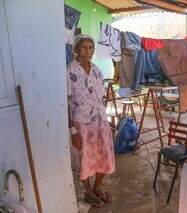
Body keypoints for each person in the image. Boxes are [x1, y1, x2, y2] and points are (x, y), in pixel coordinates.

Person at [67, 34, 115, 208]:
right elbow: (66, 101)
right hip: (81, 122)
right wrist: (72, 130)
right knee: (85, 157)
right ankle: (87, 191)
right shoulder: (70, 71)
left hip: (100, 120)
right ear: (76, 49)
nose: (88, 51)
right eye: (84, 47)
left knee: (105, 154)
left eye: (91, 47)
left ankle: (97, 187)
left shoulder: (97, 70)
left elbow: (99, 97)